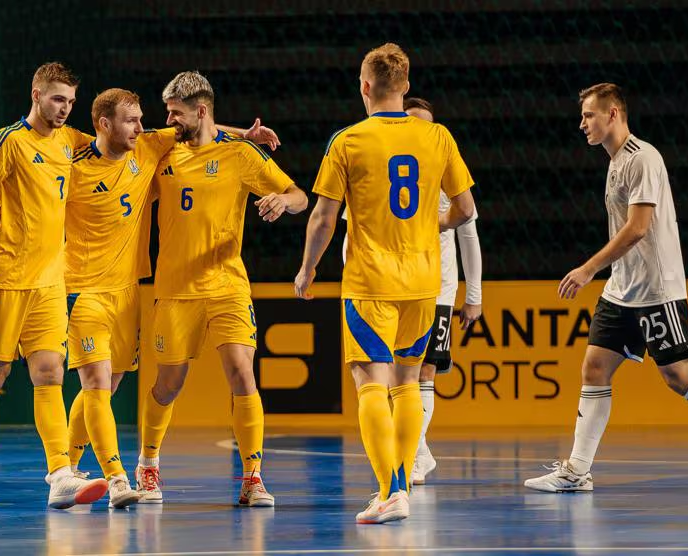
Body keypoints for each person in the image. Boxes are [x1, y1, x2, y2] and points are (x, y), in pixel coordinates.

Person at [0, 88, 280, 509]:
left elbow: (192, 126)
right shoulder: (74, 160)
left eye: (144, 120)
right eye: (132, 121)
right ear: (103, 125)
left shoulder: (147, 149)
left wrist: (243, 136)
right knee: (98, 384)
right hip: (79, 290)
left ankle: (68, 467)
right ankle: (116, 478)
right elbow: (35, 197)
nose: (143, 127)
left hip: (127, 291)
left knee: (109, 383)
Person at [524, 83, 688, 493]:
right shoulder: (614, 163)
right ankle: (576, 471)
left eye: (588, 115)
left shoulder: (642, 158)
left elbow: (638, 228)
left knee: (680, 376)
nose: (582, 124)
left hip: (656, 290)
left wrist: (588, 268)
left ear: (613, 114)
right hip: (622, 290)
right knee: (594, 367)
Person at [294, 43, 476, 524]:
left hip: (370, 280)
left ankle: (389, 490)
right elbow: (465, 209)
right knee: (408, 383)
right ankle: (398, 487)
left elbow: (323, 218)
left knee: (369, 384)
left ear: (365, 86)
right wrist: (432, 225)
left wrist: (308, 270)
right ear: (407, 86)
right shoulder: (436, 137)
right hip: (423, 282)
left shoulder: (348, 141)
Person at [136, 71, 307, 507]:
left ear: (201, 110)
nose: (169, 119)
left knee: (242, 373)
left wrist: (282, 202)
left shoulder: (240, 156)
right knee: (169, 384)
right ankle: (148, 463)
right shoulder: (161, 151)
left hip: (228, 284)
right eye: (167, 112)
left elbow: (299, 195)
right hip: (174, 289)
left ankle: (253, 477)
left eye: (176, 112)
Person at [0, 61, 107, 510]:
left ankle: (60, 475)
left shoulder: (71, 140)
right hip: (5, 278)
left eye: (71, 102)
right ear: (36, 94)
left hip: (49, 283)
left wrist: (230, 134)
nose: (65, 109)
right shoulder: (9, 141)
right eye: (58, 99)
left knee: (51, 375)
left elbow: (132, 134)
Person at [404, 98, 483, 485]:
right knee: (394, 375)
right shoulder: (391, 169)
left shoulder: (445, 166)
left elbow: (468, 230)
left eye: (428, 125)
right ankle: (418, 453)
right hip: (397, 284)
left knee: (425, 370)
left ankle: (414, 456)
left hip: (438, 288)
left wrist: (474, 296)